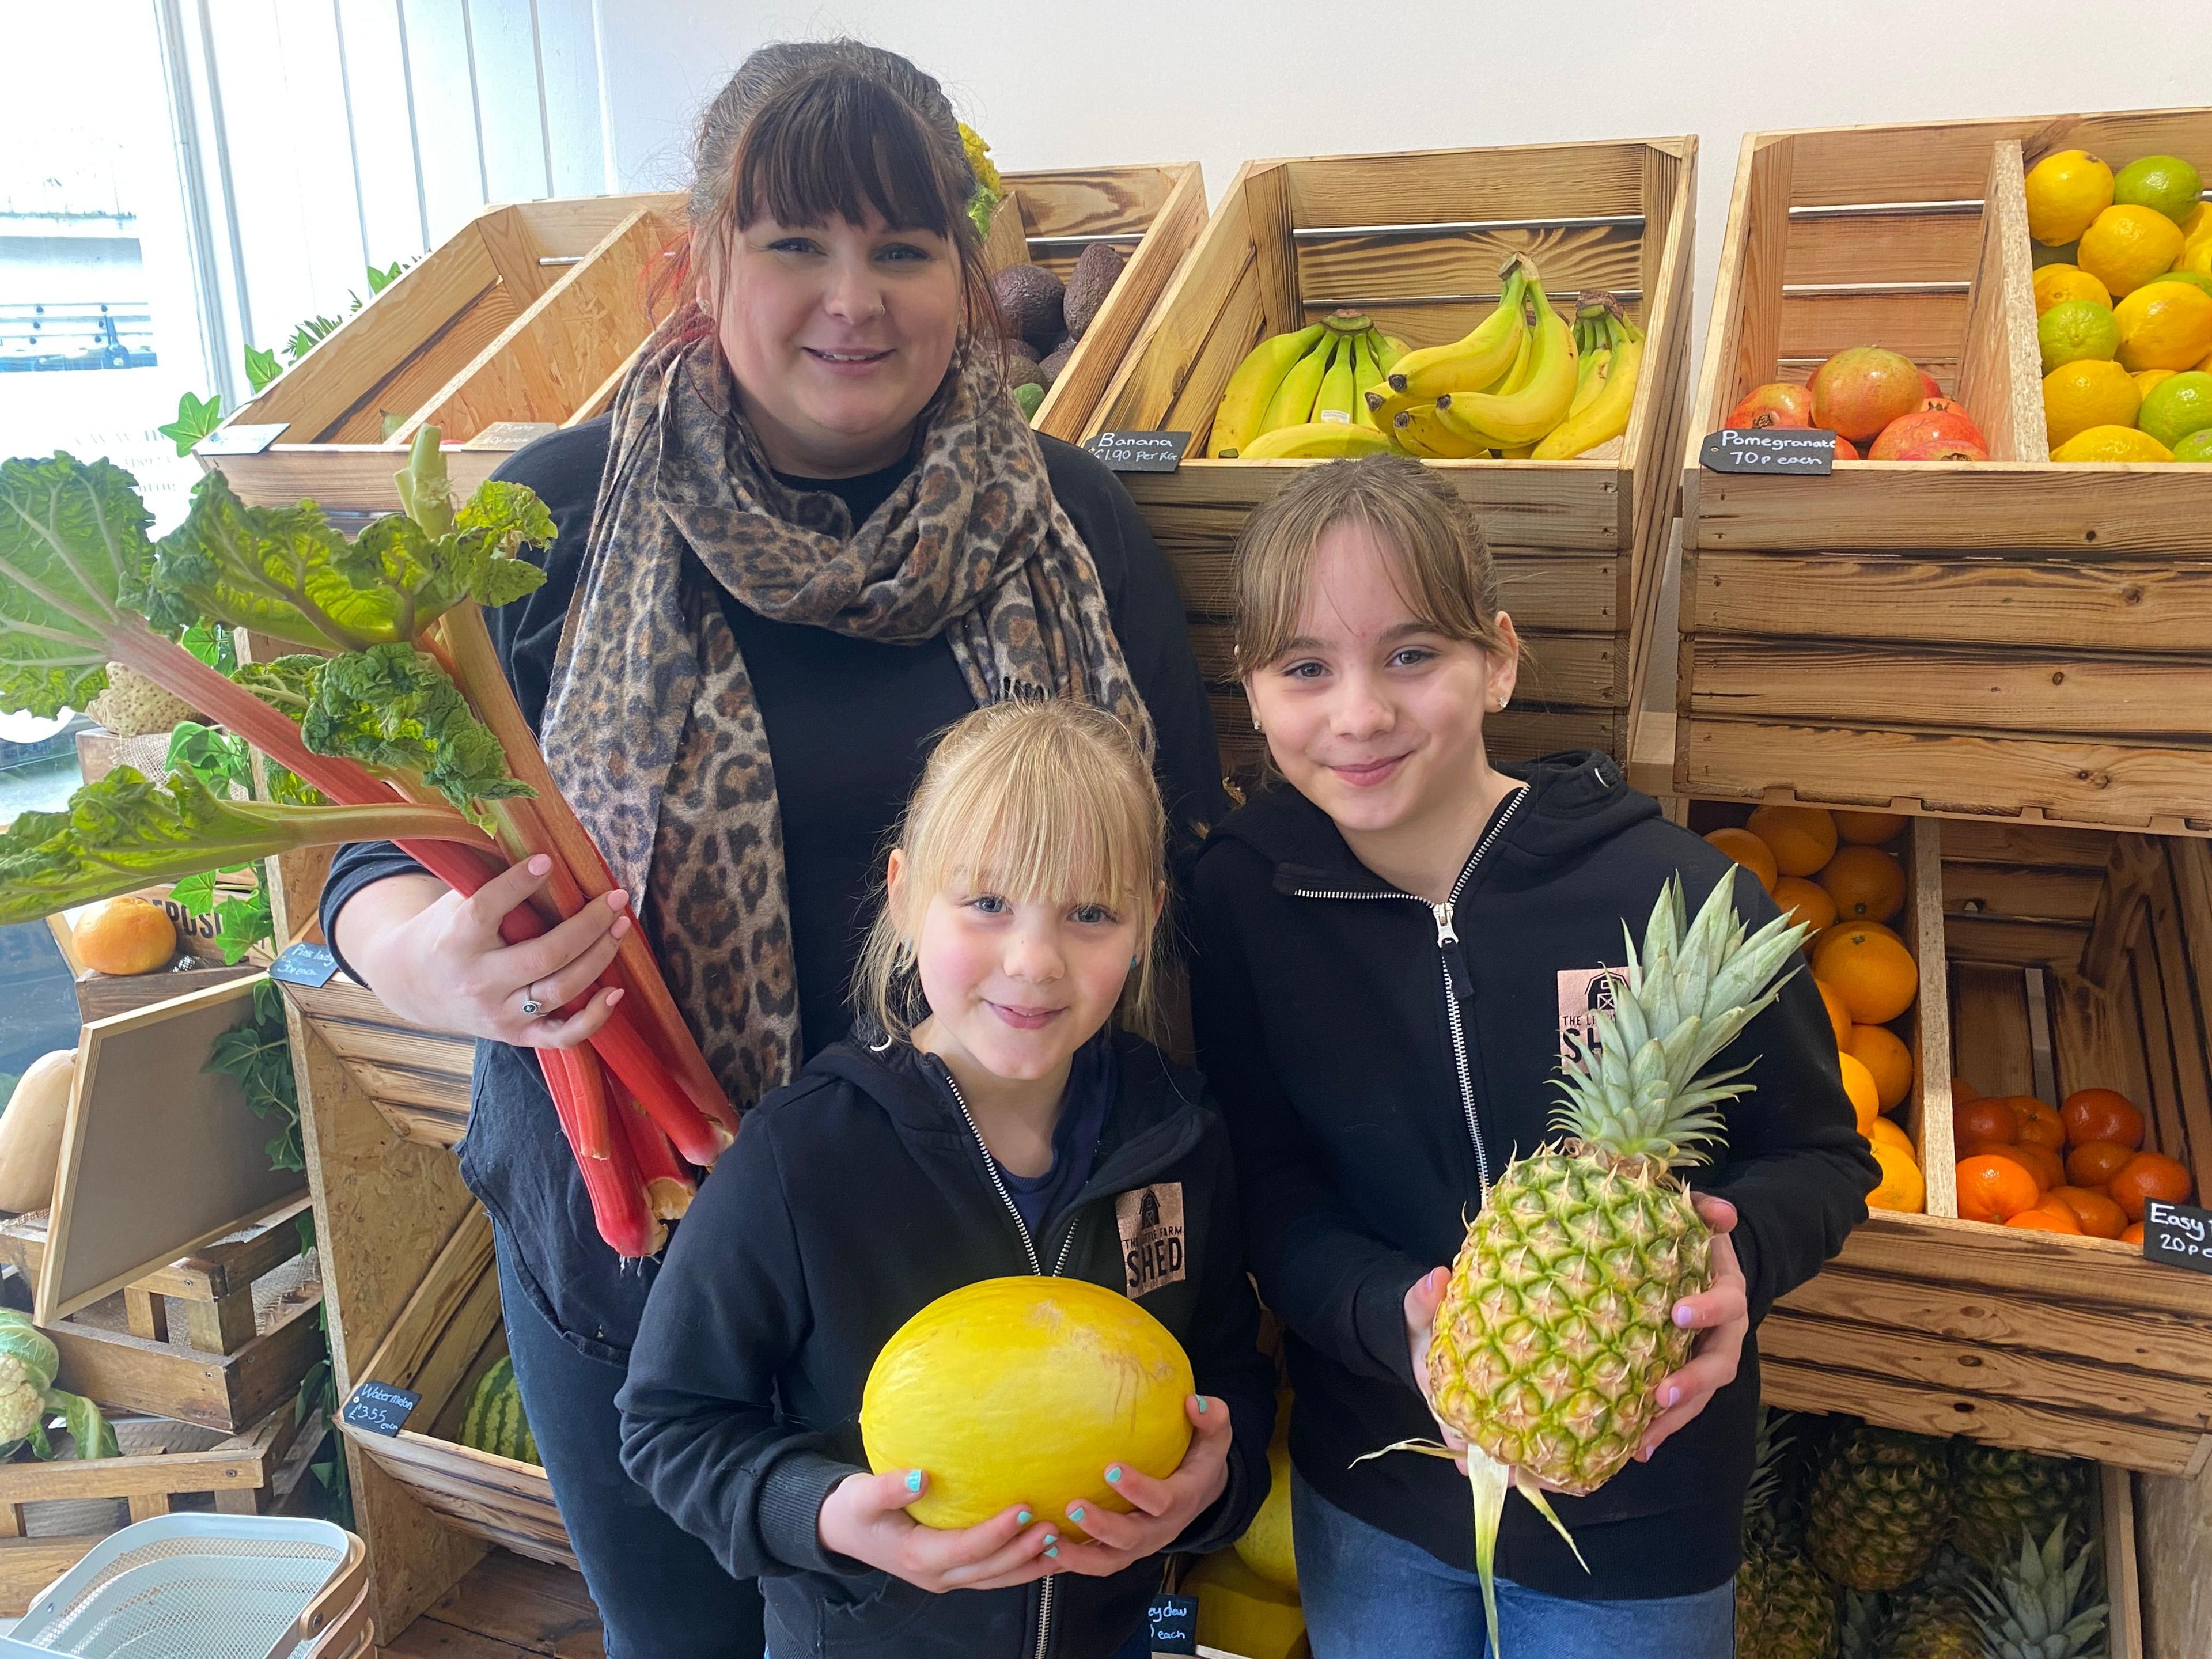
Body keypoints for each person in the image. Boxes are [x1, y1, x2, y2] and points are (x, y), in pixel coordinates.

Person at [319, 40, 1221, 1657]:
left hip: (996, 1288)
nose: (851, 299)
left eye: (902, 247)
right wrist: (431, 962)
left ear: (967, 270)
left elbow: (1185, 863)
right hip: (653, 1274)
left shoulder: (1071, 526)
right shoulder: (557, 519)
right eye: (796, 243)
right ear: (701, 265)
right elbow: (368, 859)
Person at [1185, 454, 1879, 1658]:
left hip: (1646, 1506)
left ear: (1498, 659)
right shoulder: (1246, 902)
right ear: (1251, 692)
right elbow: (1269, 1184)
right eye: (1305, 668)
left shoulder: (1682, 898)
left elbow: (1824, 1159)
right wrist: (1382, 1313)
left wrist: (1742, 1262)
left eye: (1412, 655)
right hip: (1377, 1492)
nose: (1358, 714)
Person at [619, 699, 1274, 1659]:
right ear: (902, 893)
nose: (1033, 961)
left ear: (1148, 920)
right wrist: (828, 1515)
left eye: (1090, 913)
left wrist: (1210, 1486)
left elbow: (1227, 1373)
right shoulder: (802, 1156)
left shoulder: (1177, 1131)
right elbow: (668, 1426)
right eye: (987, 903)